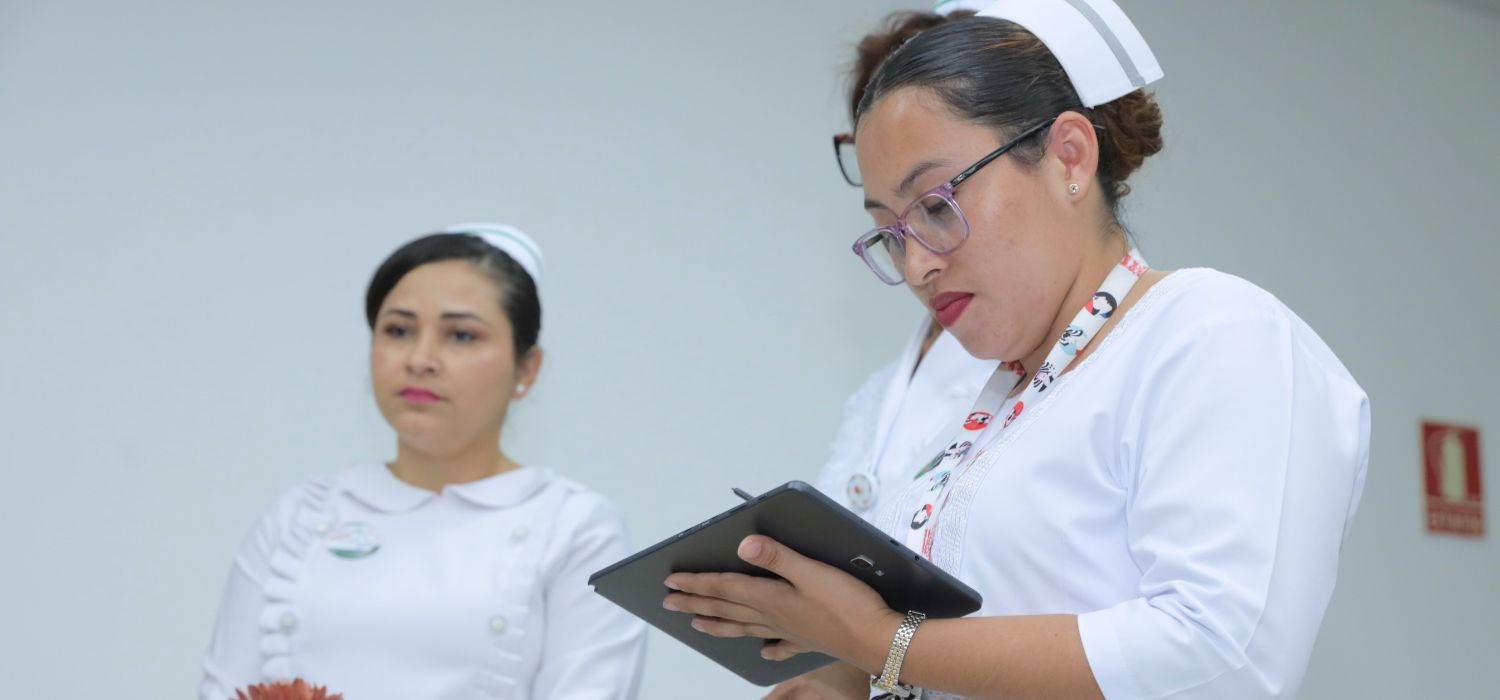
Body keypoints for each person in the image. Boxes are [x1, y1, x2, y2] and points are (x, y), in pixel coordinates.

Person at [663, 2, 1370, 698]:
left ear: (1068, 156)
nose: (916, 268)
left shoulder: (1212, 333)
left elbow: (1222, 653)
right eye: (891, 233)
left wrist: (878, 642)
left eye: (936, 206)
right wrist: (851, 676)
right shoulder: (995, 402)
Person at [200, 224, 646, 700]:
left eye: (460, 334)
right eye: (398, 330)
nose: (421, 358)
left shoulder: (574, 527)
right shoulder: (299, 516)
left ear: (526, 368)